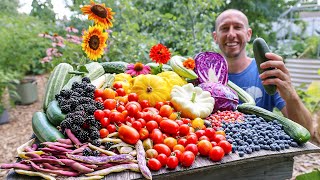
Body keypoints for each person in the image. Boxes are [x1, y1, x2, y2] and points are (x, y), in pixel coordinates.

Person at [212, 9, 313, 133]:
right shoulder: (207, 76)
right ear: (215, 37)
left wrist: (290, 94)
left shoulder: (268, 72)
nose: (231, 34)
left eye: (238, 27)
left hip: (260, 147)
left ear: (248, 34)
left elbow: (306, 129)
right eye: (224, 28)